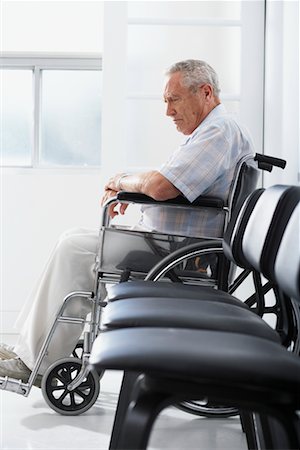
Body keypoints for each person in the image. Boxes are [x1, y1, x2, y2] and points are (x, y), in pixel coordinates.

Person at [0, 59, 255, 384]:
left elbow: (162, 185)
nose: (168, 112)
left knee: (75, 248)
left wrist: (121, 182)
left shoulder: (219, 132)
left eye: (173, 99)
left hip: (178, 255)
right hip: (169, 246)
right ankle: (30, 350)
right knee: (75, 239)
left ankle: (35, 361)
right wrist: (134, 187)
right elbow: (164, 182)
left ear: (205, 92)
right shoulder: (212, 132)